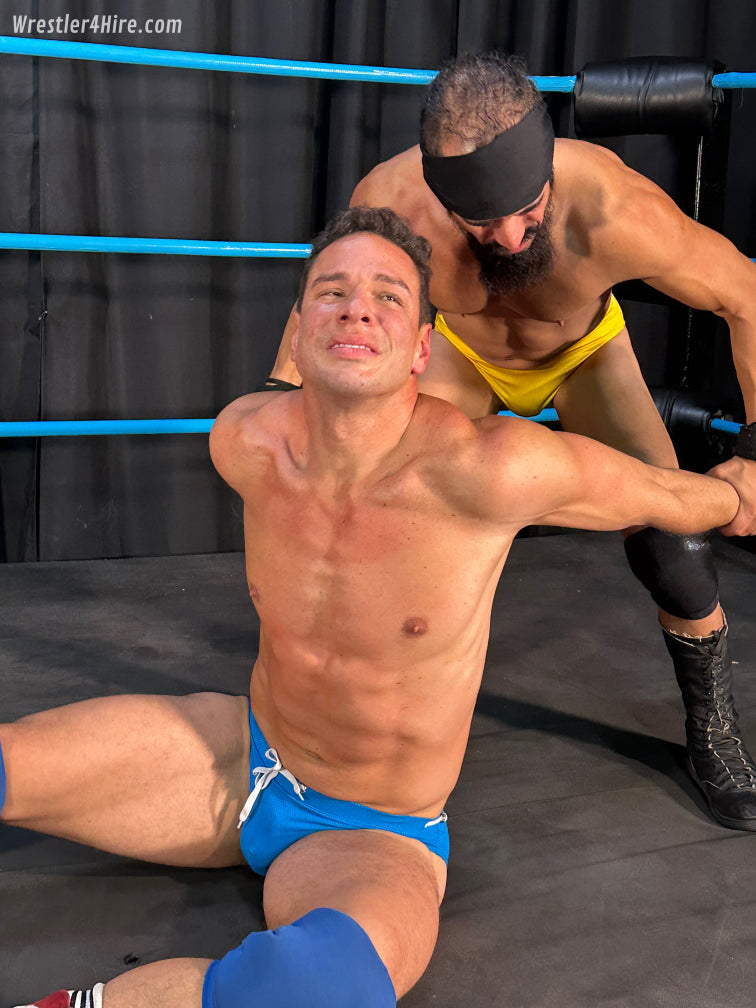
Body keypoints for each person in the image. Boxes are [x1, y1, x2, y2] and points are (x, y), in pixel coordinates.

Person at [0, 207, 749, 1008]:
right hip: (234, 760)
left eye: (388, 297)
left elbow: (664, 496)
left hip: (371, 831)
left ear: (422, 349)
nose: (357, 309)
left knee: (313, 990)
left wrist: (737, 492)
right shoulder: (245, 441)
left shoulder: (490, 470)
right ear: (298, 335)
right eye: (332, 292)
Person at [269, 52, 756, 831]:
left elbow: (746, 295)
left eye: (528, 209)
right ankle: (357, 726)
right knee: (385, 511)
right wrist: (280, 401)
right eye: (479, 221)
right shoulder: (392, 203)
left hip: (583, 354)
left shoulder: (616, 210)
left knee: (674, 543)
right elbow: (324, 293)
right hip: (460, 355)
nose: (507, 235)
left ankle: (715, 728)